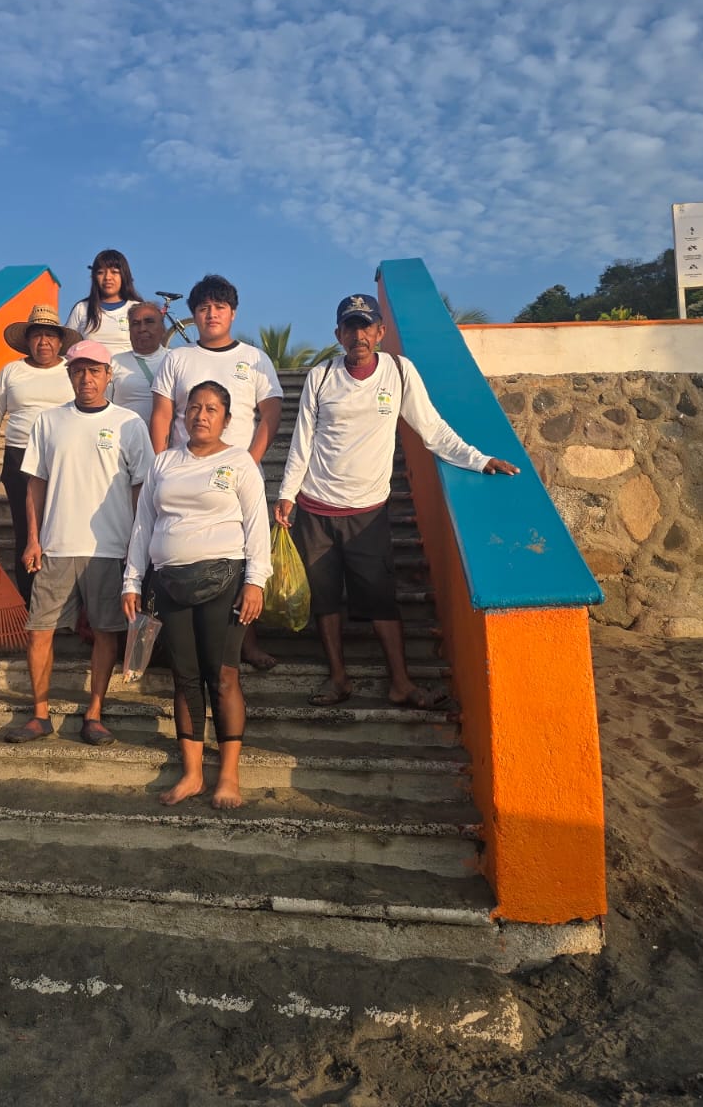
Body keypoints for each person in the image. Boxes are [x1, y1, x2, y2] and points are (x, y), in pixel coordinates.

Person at [275, 294, 519, 708]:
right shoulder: (320, 378)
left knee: (382, 600)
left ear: (380, 332)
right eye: (350, 327)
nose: (359, 335)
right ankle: (338, 679)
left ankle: (401, 682)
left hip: (368, 513)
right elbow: (302, 443)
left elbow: (433, 430)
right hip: (316, 508)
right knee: (325, 599)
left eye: (366, 326)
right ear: (338, 334)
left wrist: (479, 460)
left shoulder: (400, 373)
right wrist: (286, 495)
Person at [124, 382, 270, 809]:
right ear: (182, 415)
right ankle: (191, 774)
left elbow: (256, 523)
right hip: (169, 581)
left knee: (223, 676)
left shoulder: (238, 461)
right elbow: (142, 524)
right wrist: (132, 580)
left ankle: (227, 775)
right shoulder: (164, 462)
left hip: (225, 580)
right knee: (184, 677)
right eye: (193, 408)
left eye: (211, 409)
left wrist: (256, 580)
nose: (200, 415)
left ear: (226, 417)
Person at [11, 339, 151, 746]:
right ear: (68, 374)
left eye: (94, 371)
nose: (86, 378)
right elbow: (34, 485)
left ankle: (94, 712)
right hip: (55, 547)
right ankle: (39, 714)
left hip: (111, 549)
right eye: (77, 370)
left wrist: (137, 548)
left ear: (109, 376)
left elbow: (141, 490)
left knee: (107, 632)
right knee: (39, 631)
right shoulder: (48, 422)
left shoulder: (130, 424)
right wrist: (33, 540)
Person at [150, 273, 282, 671]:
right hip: (183, 474)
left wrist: (250, 462)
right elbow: (161, 414)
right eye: (203, 308)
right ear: (194, 315)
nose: (211, 314)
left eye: (219, 307)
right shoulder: (177, 358)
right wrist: (161, 467)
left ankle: (247, 642)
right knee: (179, 553)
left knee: (242, 556)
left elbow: (271, 414)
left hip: (235, 477)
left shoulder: (254, 358)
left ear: (233, 313)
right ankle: (174, 643)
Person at [0, 303, 82, 603]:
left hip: (63, 457)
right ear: (28, 340)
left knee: (64, 527)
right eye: (37, 336)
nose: (43, 342)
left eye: (50, 336)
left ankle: (66, 599)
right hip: (19, 456)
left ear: (60, 341)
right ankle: (29, 599)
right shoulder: (12, 371)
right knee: (26, 530)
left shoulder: (71, 370)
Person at [63, 249, 143, 358]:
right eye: (101, 272)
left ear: (124, 276)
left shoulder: (137, 309)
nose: (107, 278)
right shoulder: (82, 308)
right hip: (89, 374)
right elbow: (66, 348)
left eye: (114, 272)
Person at [107, 299, 170, 425]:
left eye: (149, 322)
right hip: (125, 441)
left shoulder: (174, 360)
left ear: (163, 328)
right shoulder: (115, 362)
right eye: (135, 323)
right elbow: (104, 406)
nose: (142, 329)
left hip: (168, 442)